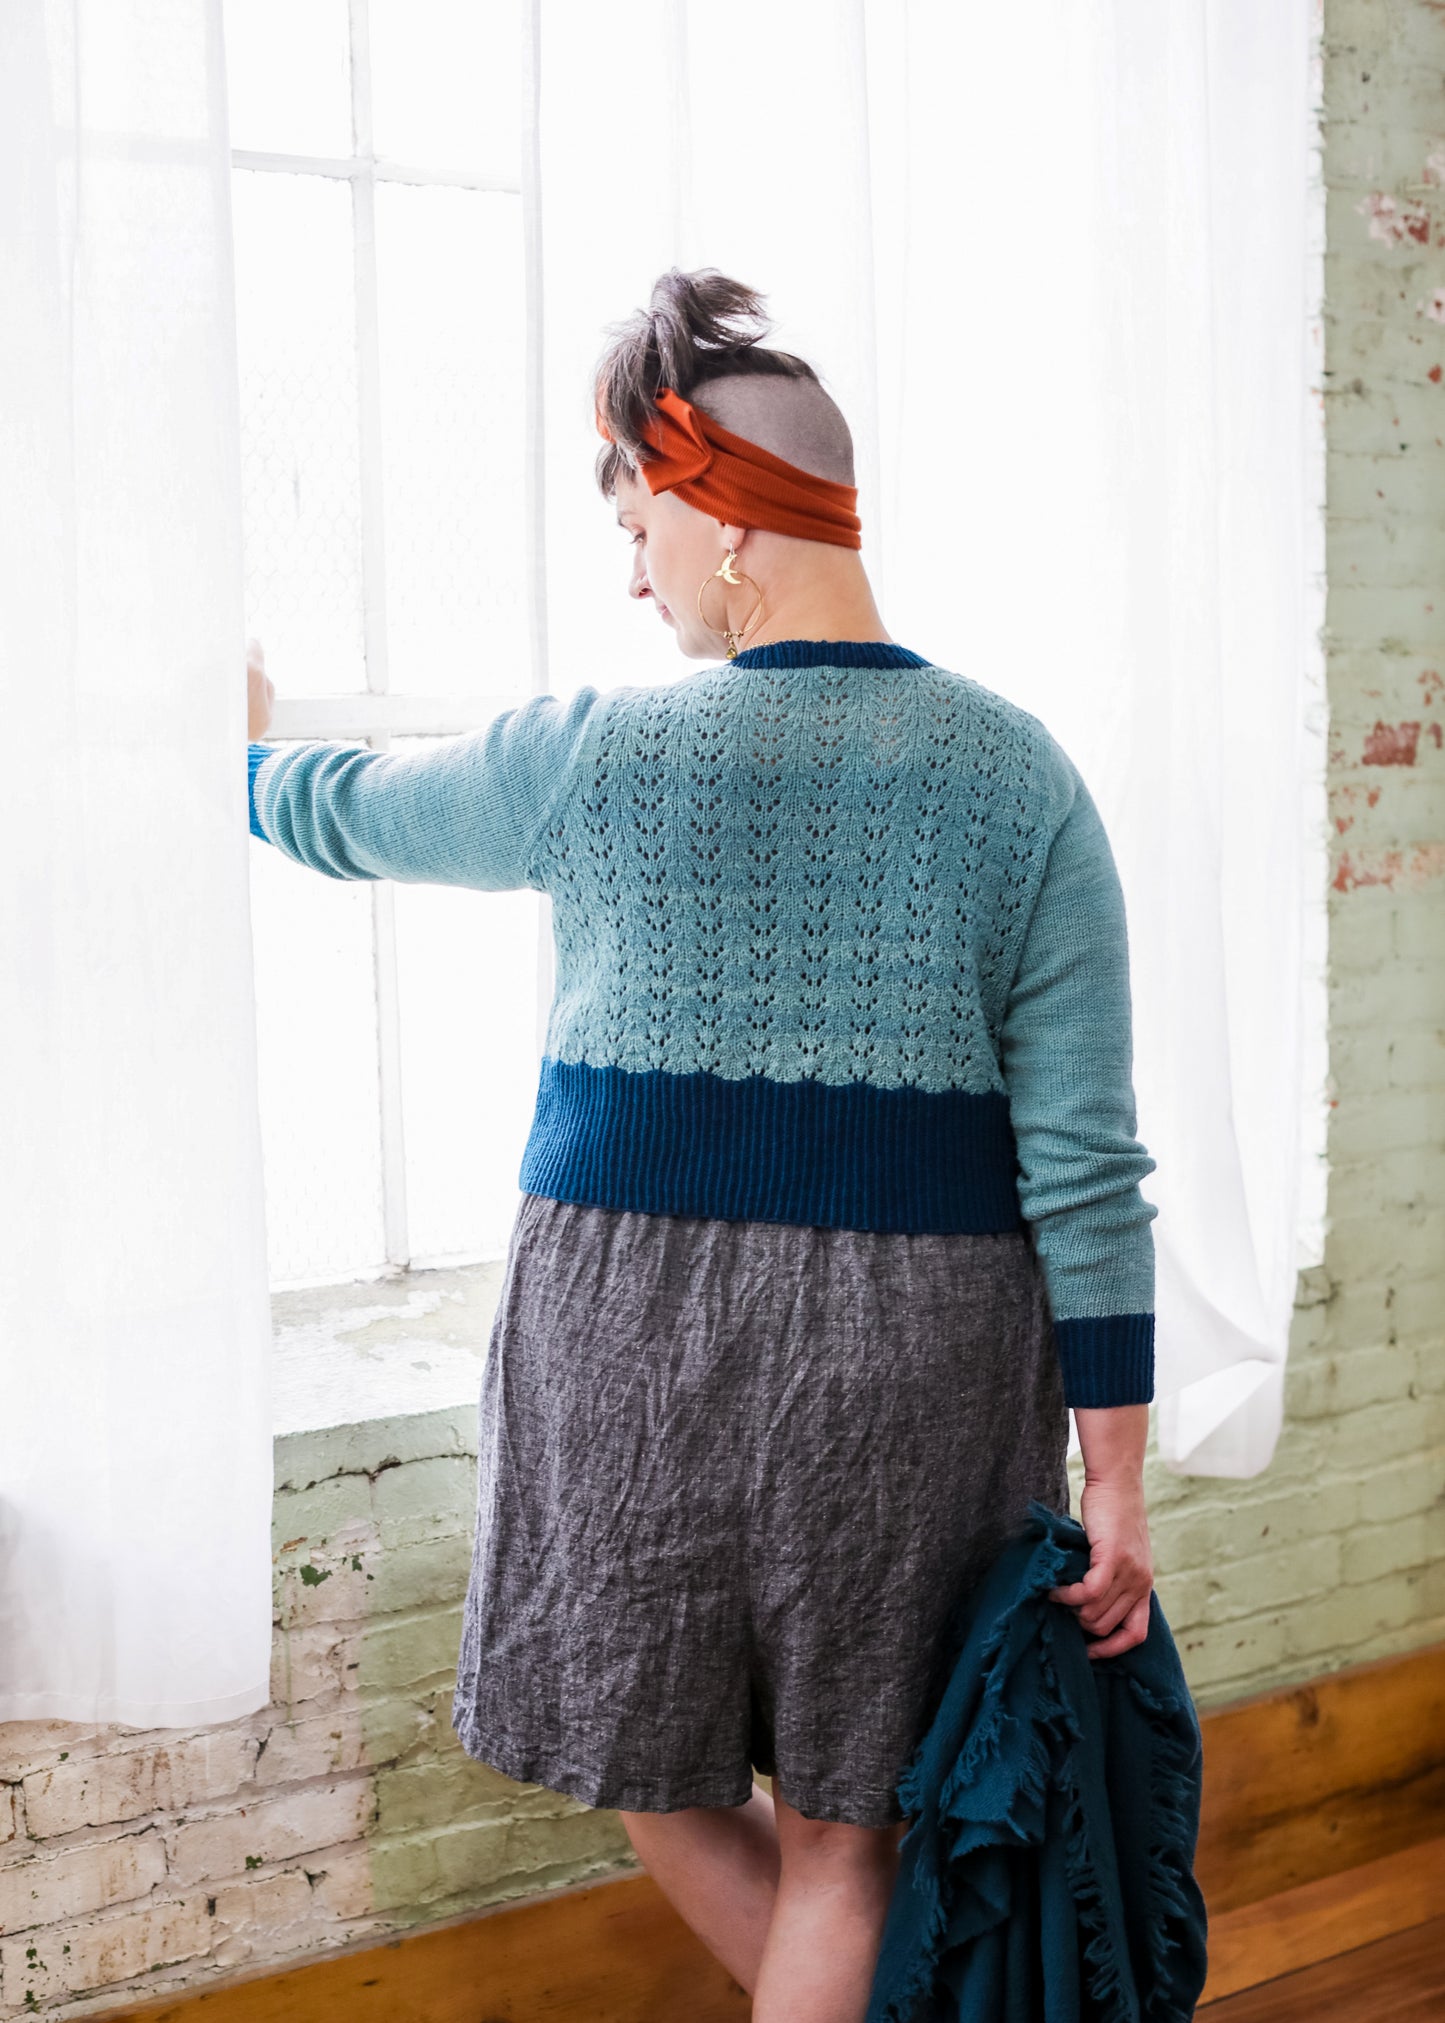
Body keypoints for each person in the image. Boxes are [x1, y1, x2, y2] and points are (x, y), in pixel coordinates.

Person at [245, 265, 1158, 2023]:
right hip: (925, 1353)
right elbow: (1083, 1162)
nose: (633, 568)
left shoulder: (598, 753)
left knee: (648, 1763)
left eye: (634, 522)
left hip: (629, 1338)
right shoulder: (1020, 775)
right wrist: (1111, 1475)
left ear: (711, 513)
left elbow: (347, 815)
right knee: (846, 1826)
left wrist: (244, 750)